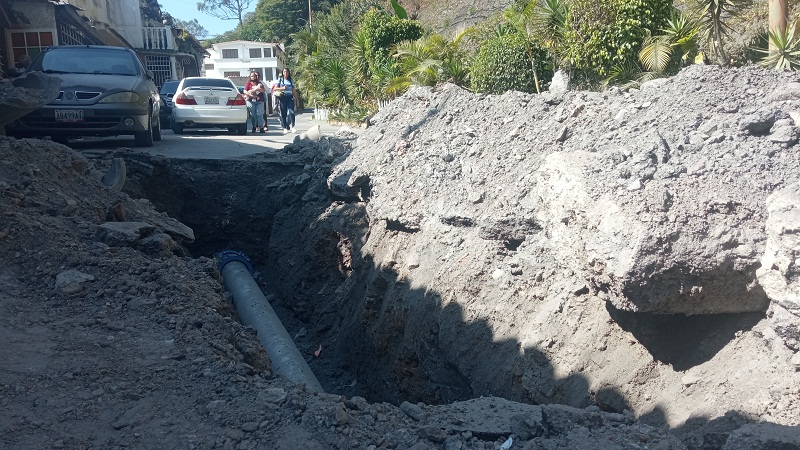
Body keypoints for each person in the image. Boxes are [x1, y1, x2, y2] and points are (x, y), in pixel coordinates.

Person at [273, 68, 296, 134]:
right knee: (284, 113)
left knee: (292, 112)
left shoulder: (291, 80)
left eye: (287, 72)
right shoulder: (280, 80)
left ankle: (293, 127)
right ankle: (284, 128)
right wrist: (282, 88)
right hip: (283, 98)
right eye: (284, 72)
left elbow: (293, 90)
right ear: (282, 73)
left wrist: (296, 99)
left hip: (290, 97)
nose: (286, 73)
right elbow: (275, 88)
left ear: (289, 73)